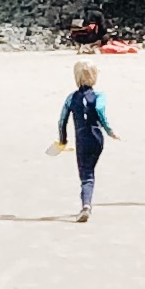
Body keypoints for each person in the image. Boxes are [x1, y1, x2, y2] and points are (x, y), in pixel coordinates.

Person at [54, 59, 113, 220]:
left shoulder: (71, 98)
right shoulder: (99, 95)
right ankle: (86, 204)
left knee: (86, 174)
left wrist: (62, 140)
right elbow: (100, 110)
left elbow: (62, 121)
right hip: (97, 138)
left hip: (82, 139)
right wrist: (109, 130)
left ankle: (86, 205)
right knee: (91, 170)